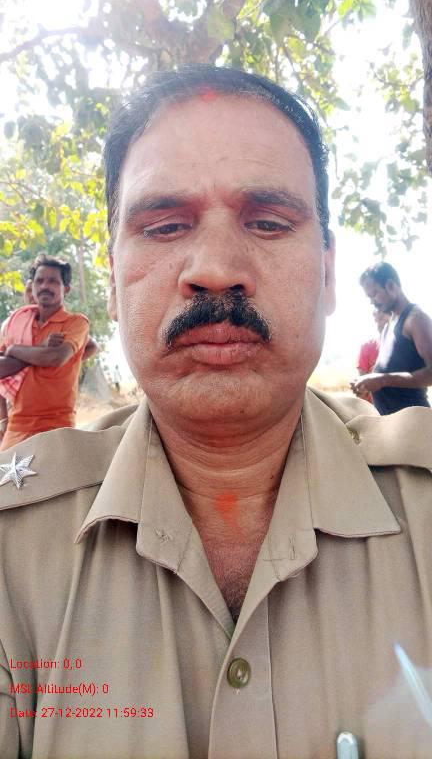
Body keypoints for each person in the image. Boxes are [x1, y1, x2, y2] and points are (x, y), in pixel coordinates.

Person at [0, 67, 432, 759]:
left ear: (327, 274)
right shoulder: (11, 553)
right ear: (112, 284)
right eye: (166, 225)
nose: (216, 268)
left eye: (268, 222)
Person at [0, 254, 89, 450]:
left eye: (53, 281)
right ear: (32, 286)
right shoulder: (18, 323)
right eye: (39, 281)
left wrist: (14, 350)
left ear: (66, 288)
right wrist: (40, 349)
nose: (44, 286)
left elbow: (55, 357)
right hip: (17, 426)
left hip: (56, 425)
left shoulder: (75, 323)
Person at [352, 261, 432, 414]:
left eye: (374, 294)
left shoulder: (416, 319)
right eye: (369, 297)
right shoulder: (388, 327)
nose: (372, 302)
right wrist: (366, 383)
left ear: (391, 285)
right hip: (392, 423)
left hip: (415, 422)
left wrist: (381, 380)